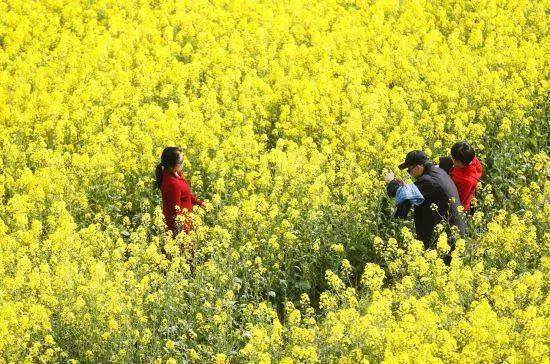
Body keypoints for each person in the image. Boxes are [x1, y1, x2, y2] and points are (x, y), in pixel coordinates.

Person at [390, 151, 466, 252]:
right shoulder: (439, 172)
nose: (410, 174)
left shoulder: (428, 180)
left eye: (409, 170)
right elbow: (414, 192)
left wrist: (391, 182)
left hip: (446, 237)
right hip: (451, 231)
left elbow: (404, 194)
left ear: (418, 167)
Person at [155, 147, 204, 237]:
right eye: (181, 162)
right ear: (172, 165)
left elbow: (186, 194)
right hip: (180, 227)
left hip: (186, 221)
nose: (183, 163)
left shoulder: (176, 174)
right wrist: (182, 232)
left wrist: (199, 203)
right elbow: (175, 210)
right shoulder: (173, 184)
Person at [449, 141, 483, 213]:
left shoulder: (466, 181)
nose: (453, 162)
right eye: (453, 158)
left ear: (465, 162)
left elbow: (458, 202)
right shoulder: (471, 157)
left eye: (456, 161)